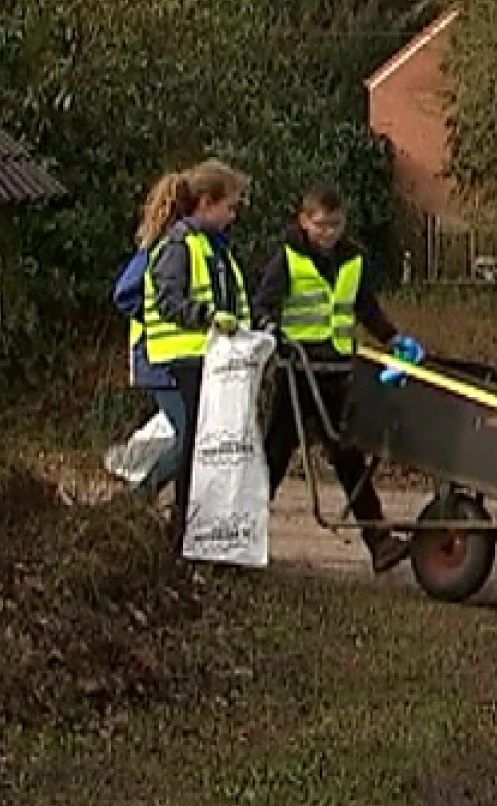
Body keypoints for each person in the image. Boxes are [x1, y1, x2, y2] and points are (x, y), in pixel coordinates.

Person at [254, 183, 415, 574]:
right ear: (304, 221)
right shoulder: (288, 259)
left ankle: (379, 543)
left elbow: (366, 308)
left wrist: (393, 339)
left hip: (336, 371)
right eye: (321, 224)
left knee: (348, 455)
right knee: (275, 454)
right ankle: (245, 534)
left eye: (335, 224)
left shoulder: (353, 261)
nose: (328, 232)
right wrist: (274, 335)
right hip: (297, 371)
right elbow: (264, 306)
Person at [139, 159, 254, 556]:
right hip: (180, 359)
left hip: (207, 362)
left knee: (201, 452)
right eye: (230, 207)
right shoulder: (179, 245)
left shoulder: (210, 247)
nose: (233, 215)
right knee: (191, 450)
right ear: (206, 203)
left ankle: (193, 535)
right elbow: (170, 300)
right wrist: (208, 318)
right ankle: (180, 537)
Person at [111, 189, 188, 498]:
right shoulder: (161, 249)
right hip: (156, 357)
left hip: (170, 356)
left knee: (186, 435)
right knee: (188, 437)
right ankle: (141, 495)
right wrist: (157, 316)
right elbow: (125, 293)